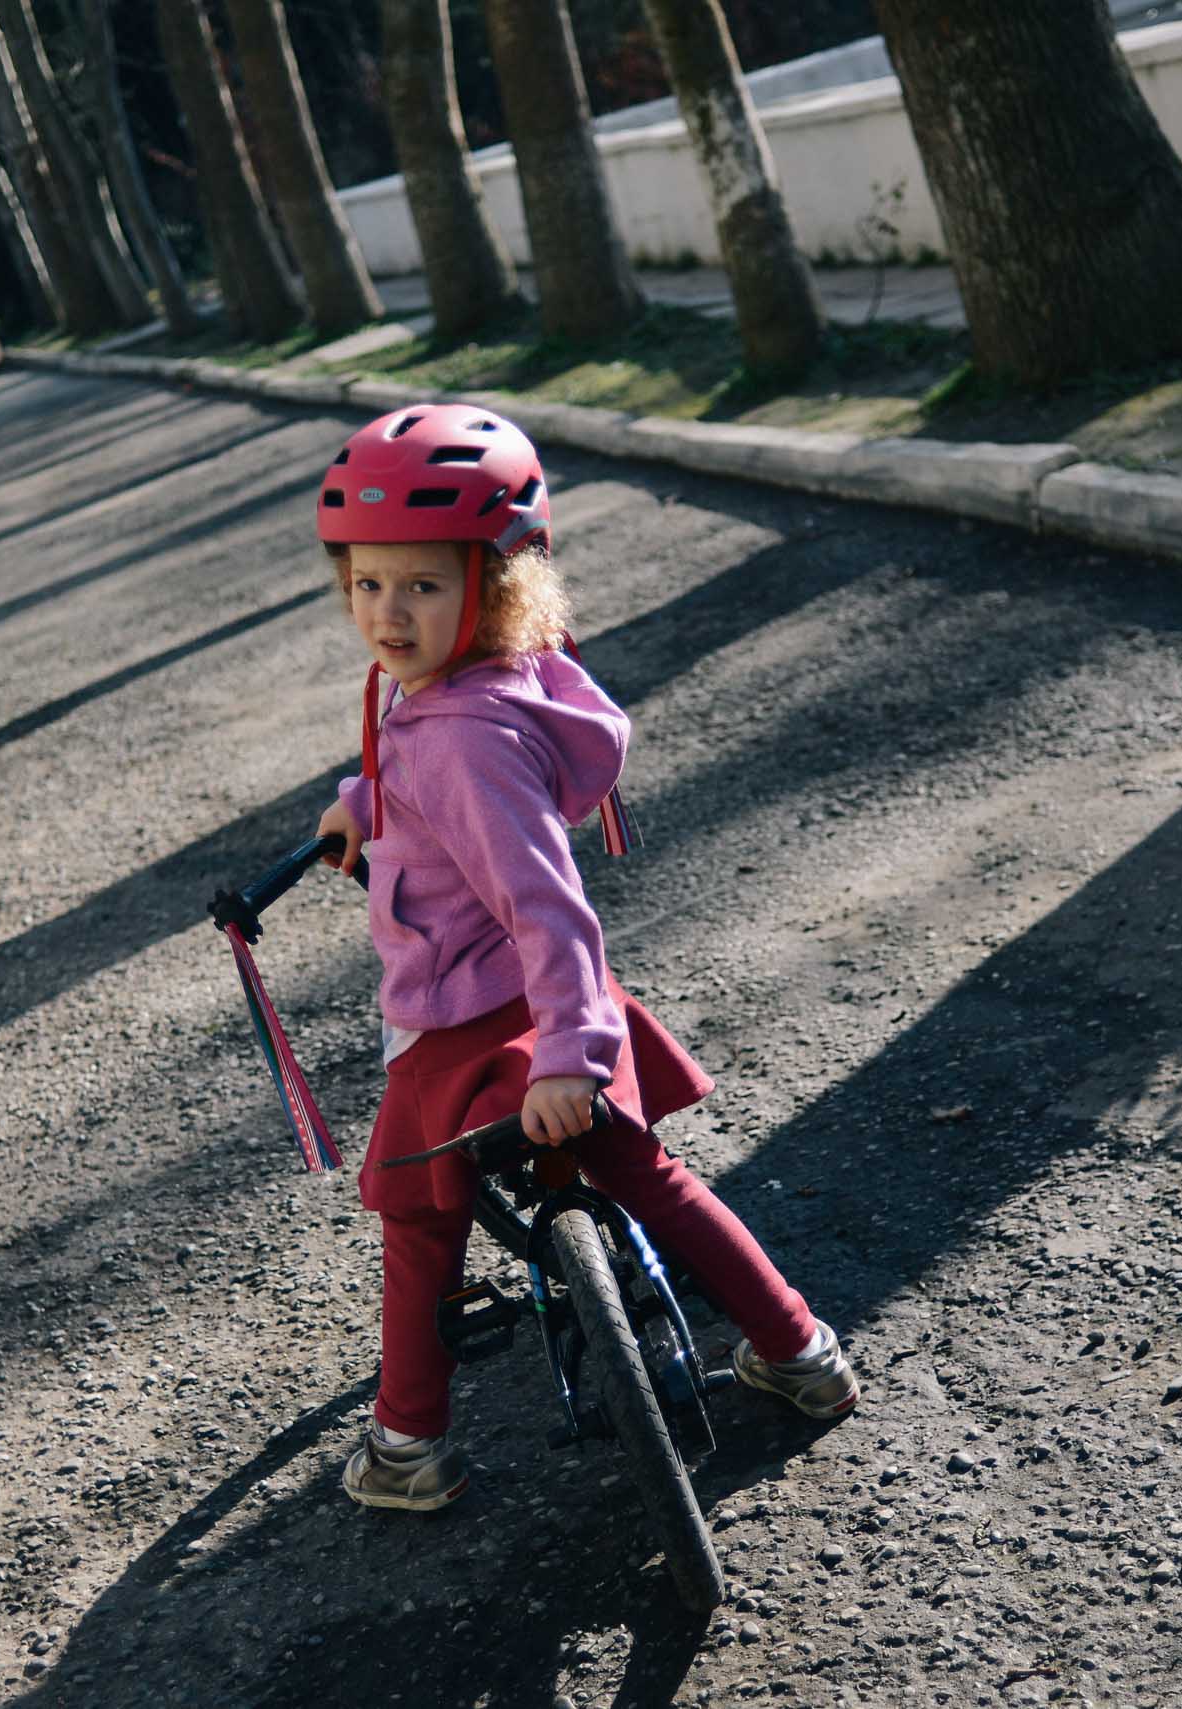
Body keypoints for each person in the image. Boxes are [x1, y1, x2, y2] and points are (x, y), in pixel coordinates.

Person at [312, 403, 858, 1513]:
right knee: (648, 1176)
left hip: (483, 1025)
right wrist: (366, 802)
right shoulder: (504, 679)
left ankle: (409, 1444)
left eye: (420, 584)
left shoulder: (454, 734)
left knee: (420, 1225)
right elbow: (457, 777)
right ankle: (800, 1350)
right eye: (367, 583)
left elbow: (541, 896)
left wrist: (568, 1051)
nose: (387, 613)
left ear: (496, 581)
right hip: (544, 1012)